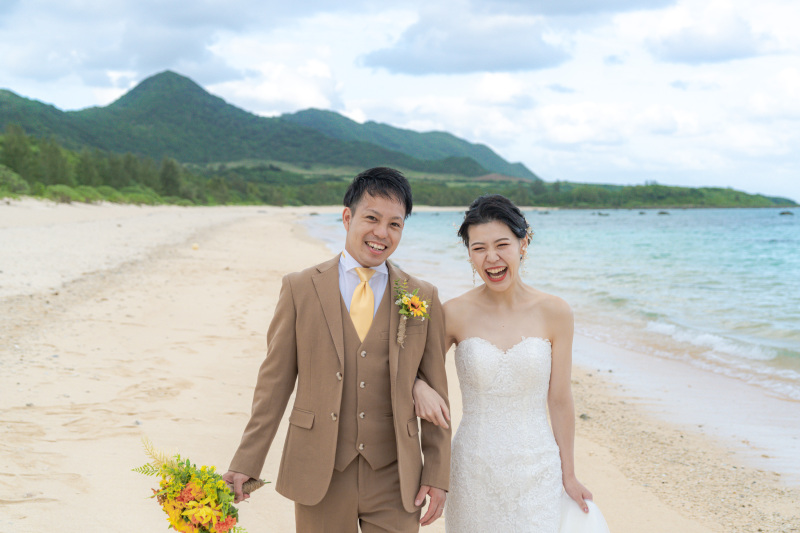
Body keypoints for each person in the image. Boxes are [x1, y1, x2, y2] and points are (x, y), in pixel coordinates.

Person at [223, 167, 451, 532]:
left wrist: (438, 474)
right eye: (372, 218)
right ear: (347, 217)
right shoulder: (300, 288)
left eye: (395, 224)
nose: (382, 233)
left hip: (396, 477)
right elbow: (274, 383)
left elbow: (436, 392)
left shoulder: (422, 295)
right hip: (320, 471)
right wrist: (247, 460)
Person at [412, 194, 609, 532]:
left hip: (538, 469)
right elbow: (416, 371)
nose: (491, 258)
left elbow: (560, 399)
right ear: (469, 254)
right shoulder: (453, 313)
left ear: (523, 242)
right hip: (472, 469)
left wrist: (569, 474)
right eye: (478, 248)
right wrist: (417, 386)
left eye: (502, 244)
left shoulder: (555, 312)